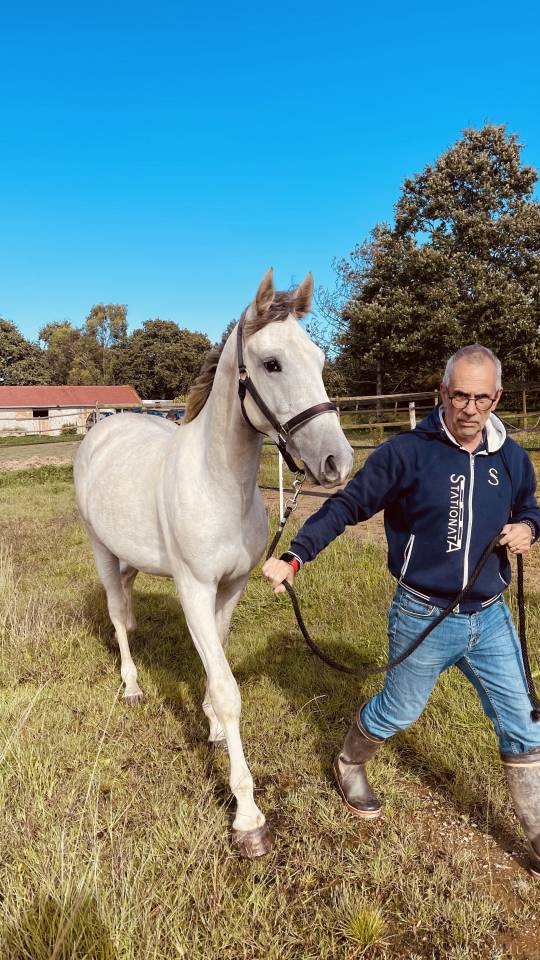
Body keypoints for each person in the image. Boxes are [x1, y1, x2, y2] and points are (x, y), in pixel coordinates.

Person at [263, 344, 540, 877]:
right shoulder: (406, 453)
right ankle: (349, 762)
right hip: (423, 616)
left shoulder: (513, 458)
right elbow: (346, 505)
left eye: (482, 396)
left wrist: (529, 527)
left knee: (525, 726)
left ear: (497, 398)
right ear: (443, 392)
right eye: (459, 394)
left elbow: (530, 506)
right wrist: (296, 557)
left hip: (491, 616)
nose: (469, 407)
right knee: (398, 712)